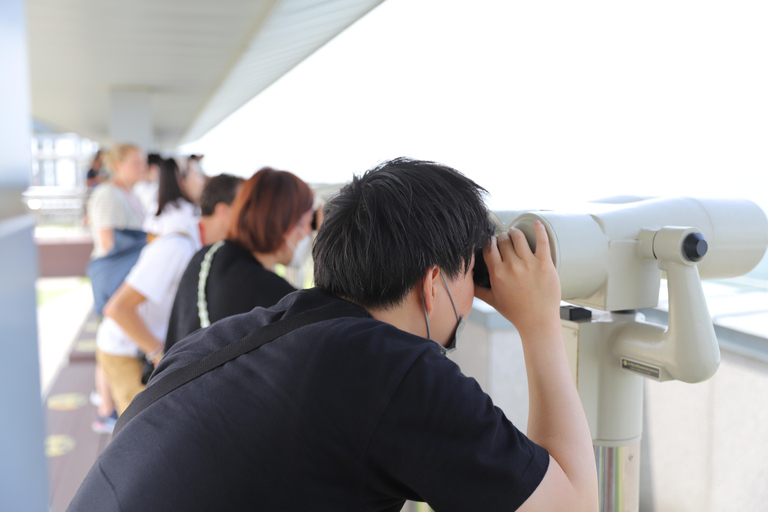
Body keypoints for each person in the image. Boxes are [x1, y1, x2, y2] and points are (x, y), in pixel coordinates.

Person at [70, 158, 598, 511]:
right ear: (434, 282)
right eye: (471, 273)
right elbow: (571, 504)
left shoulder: (236, 338)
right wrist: (539, 322)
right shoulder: (393, 369)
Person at [94, 166, 203, 415]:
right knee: (137, 436)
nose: (203, 178)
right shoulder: (178, 236)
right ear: (181, 181)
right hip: (128, 350)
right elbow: (117, 309)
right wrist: (160, 355)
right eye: (196, 173)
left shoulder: (184, 224)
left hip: (139, 345)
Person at [164, 167, 312, 351]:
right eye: (304, 223)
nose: (307, 233)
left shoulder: (206, 257)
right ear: (279, 222)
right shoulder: (273, 293)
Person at [86, 143, 148, 433]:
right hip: (114, 277)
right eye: (136, 162)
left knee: (111, 338)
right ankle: (106, 410)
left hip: (121, 275)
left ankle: (107, 406)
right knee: (109, 340)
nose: (142, 167)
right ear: (118, 165)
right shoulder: (109, 194)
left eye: (143, 162)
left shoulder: (126, 193)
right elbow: (109, 242)